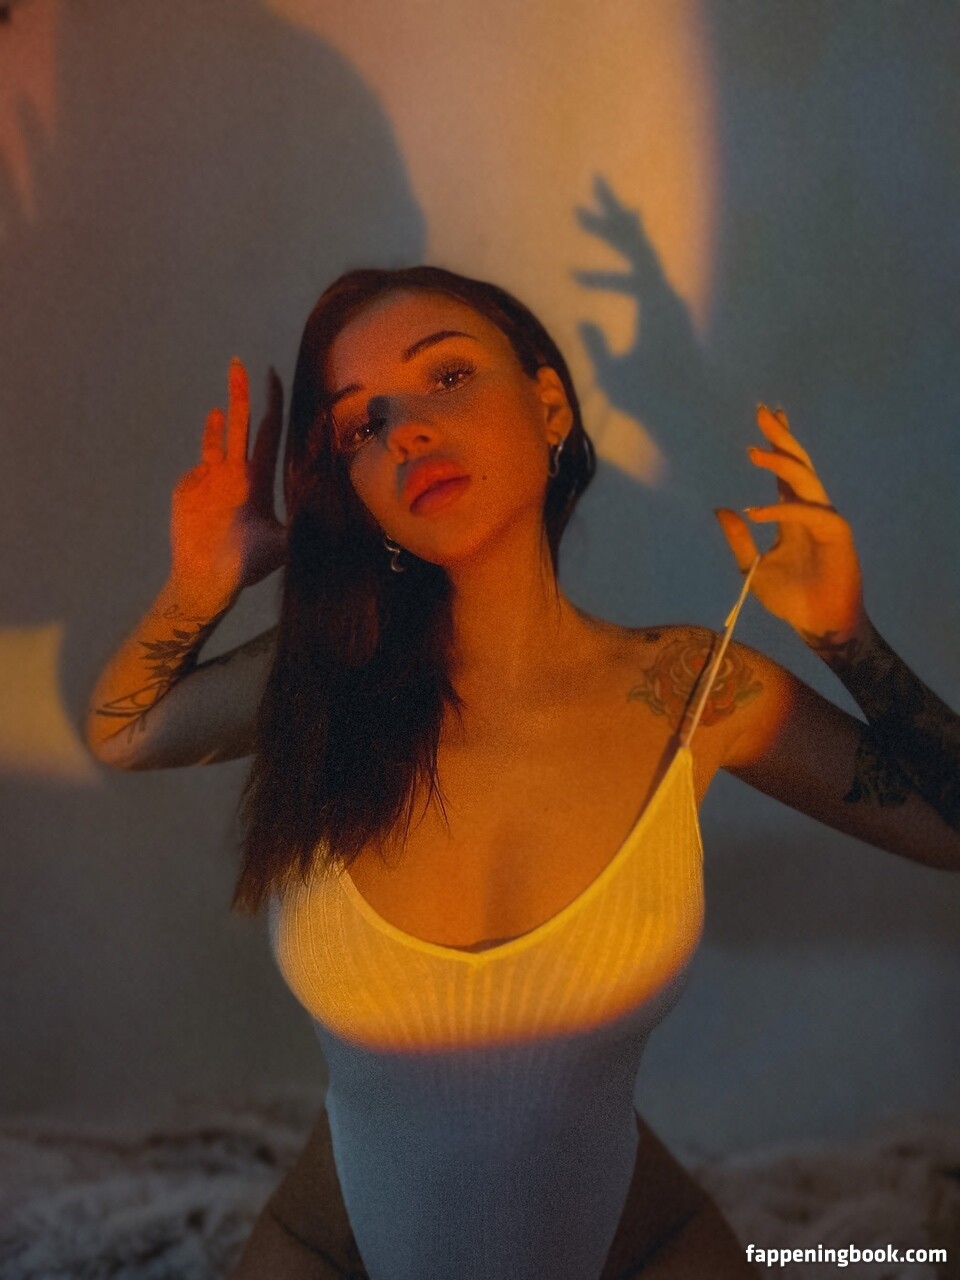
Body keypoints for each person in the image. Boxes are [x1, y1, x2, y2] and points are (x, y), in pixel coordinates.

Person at [84, 267, 960, 1279]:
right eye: (362, 424)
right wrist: (199, 587)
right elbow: (125, 730)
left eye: (448, 376)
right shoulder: (320, 681)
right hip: (333, 1248)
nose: (406, 430)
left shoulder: (691, 690)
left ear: (551, 406)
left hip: (641, 1247)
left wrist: (847, 638)